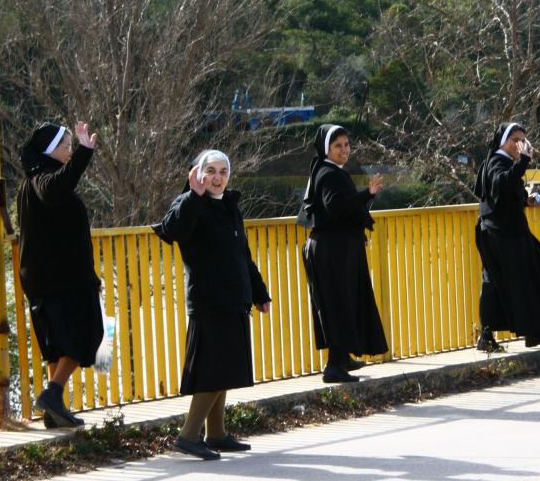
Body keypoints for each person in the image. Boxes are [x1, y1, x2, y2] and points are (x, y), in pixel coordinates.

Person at [152, 150, 272, 460]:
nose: (217, 177)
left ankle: (216, 433)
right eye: (211, 171)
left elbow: (241, 255)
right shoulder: (190, 203)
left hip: (235, 298)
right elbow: (173, 230)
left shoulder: (229, 206)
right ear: (198, 173)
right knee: (213, 369)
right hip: (209, 300)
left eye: (223, 171)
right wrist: (194, 194)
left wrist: (259, 291)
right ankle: (188, 435)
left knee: (226, 366)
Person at [18, 121, 103, 428]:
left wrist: (79, 152)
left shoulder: (35, 180)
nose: (69, 152)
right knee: (83, 337)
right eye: (66, 146)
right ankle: (53, 393)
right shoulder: (43, 179)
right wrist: (85, 152)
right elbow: (58, 189)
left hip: (48, 277)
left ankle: (53, 411)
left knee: (58, 343)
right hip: (62, 278)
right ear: (50, 150)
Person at [473, 122, 540, 352]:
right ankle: (518, 332)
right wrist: (523, 161)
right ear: (503, 141)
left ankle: (510, 333)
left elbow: (505, 195)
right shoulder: (496, 161)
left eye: (523, 140)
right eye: (515, 140)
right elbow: (501, 184)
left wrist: (527, 200)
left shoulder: (501, 162)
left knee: (504, 283)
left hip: (504, 233)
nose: (519, 145)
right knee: (523, 280)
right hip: (502, 235)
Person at [297, 124, 389, 383]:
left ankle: (341, 358)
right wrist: (366, 194)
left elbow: (341, 211)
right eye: (338, 145)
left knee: (345, 302)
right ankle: (333, 367)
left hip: (337, 249)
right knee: (337, 304)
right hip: (331, 252)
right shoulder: (328, 174)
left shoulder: (332, 172)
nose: (344, 150)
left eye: (347, 145)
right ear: (326, 149)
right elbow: (335, 207)